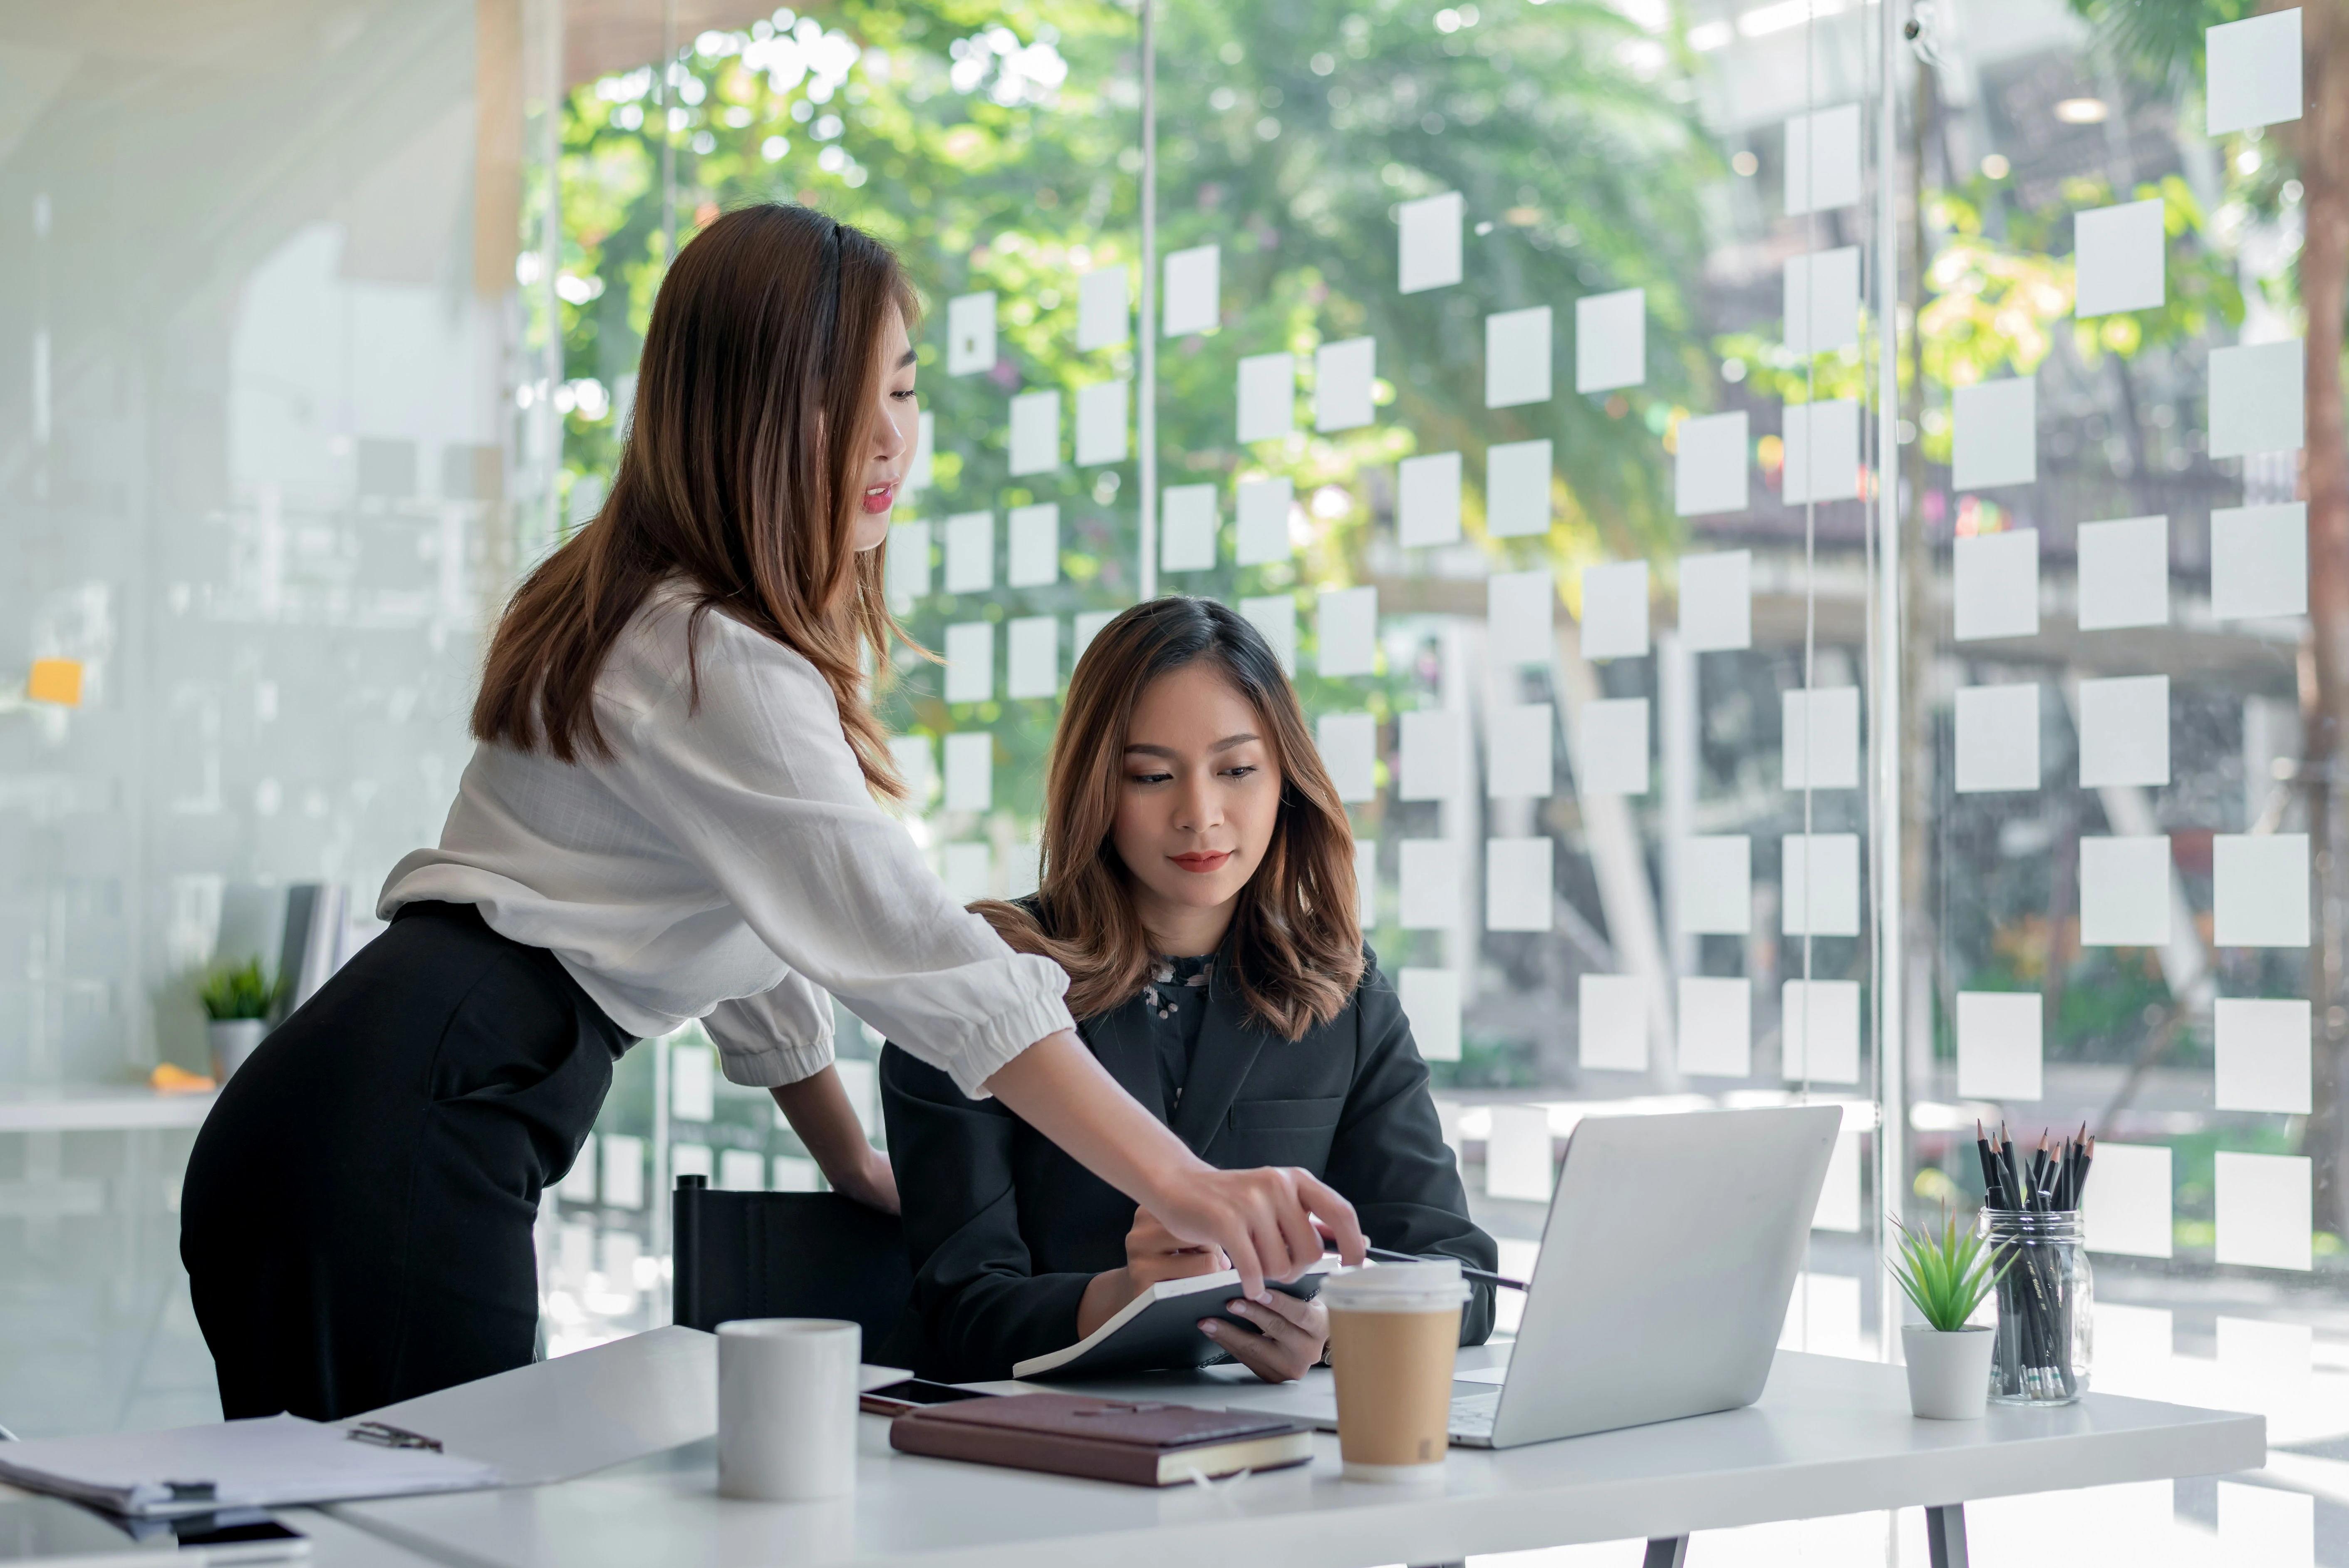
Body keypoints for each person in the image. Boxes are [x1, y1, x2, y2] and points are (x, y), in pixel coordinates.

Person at [179, 206, 1361, 1422]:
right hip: (407, 1123)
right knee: (424, 1530)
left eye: (902, 389)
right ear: (732, 411)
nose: (885, 437)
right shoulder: (705, 654)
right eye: (832, 399)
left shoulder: (656, 617)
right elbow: (922, 957)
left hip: (374, 1106)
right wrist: (1184, 1183)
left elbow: (761, 922)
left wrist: (842, 1150)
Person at [883, 597, 1496, 1383]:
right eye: (1152, 776)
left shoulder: (1342, 988)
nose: (1199, 817)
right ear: (1096, 789)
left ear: (1287, 782)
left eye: (1237, 770)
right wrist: (1124, 1296)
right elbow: (955, 1313)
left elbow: (1463, 1277)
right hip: (1022, 1462)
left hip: (1267, 1458)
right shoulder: (980, 980)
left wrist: (1333, 1329)